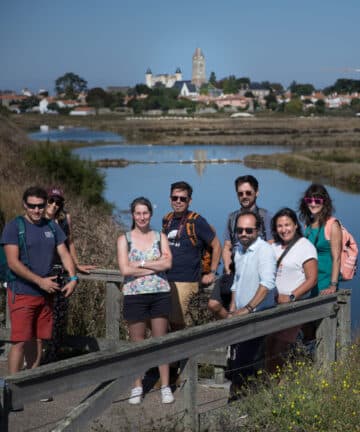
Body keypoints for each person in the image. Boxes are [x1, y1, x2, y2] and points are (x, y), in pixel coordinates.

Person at [0, 186, 78, 375]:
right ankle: (12, 388)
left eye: (40, 206)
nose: (36, 210)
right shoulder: (14, 227)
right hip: (22, 292)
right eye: (32, 206)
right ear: (24, 205)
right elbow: (13, 262)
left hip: (46, 294)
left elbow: (65, 253)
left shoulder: (52, 226)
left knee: (38, 340)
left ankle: (32, 384)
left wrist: (74, 277)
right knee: (20, 341)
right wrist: (40, 281)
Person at [117, 197, 174, 405]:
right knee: (137, 343)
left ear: (151, 214)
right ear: (133, 215)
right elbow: (125, 269)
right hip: (134, 296)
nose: (142, 217)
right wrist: (154, 265)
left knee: (161, 341)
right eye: (138, 213)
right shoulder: (124, 239)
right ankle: (137, 386)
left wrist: (140, 264)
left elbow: (167, 263)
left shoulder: (160, 237)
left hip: (160, 294)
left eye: (145, 213)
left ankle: (166, 386)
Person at [227, 210, 276, 400]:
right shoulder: (239, 249)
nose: (244, 233)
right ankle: (240, 402)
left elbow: (267, 284)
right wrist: (233, 308)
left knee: (249, 364)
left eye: (249, 230)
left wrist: (247, 309)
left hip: (258, 316)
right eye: (240, 230)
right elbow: (236, 282)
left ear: (258, 230)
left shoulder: (264, 251)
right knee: (238, 364)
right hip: (240, 316)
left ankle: (248, 407)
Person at [43, 187, 96, 363]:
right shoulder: (36, 219)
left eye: (58, 202)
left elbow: (70, 242)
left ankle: (52, 359)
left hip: (61, 272)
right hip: (42, 274)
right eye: (51, 200)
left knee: (58, 319)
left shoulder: (65, 218)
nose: (54, 205)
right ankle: (37, 358)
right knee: (42, 316)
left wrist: (76, 264)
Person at [208, 174, 272, 319]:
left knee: (240, 308)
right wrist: (227, 266)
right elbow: (227, 245)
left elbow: (270, 244)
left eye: (248, 192)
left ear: (257, 192)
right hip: (234, 269)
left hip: (254, 269)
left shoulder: (265, 216)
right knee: (213, 303)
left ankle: (234, 333)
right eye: (240, 193)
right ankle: (230, 327)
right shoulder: (232, 217)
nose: (244, 196)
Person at [162, 181, 221, 330]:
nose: (178, 202)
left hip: (186, 282)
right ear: (170, 199)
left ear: (190, 201)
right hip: (165, 281)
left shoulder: (197, 222)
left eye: (183, 198)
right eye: (175, 198)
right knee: (163, 325)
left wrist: (212, 272)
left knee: (179, 328)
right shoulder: (167, 220)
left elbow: (217, 245)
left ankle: (183, 354)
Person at [266, 208, 318, 373]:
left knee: (280, 348)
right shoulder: (274, 246)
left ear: (295, 225)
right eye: (280, 226)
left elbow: (312, 279)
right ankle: (269, 386)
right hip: (272, 306)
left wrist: (292, 296)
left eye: (287, 225)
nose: (283, 229)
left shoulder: (305, 247)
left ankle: (276, 388)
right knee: (268, 348)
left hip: (292, 308)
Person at [299, 183, 342, 296]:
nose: (313, 204)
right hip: (309, 280)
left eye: (317, 201)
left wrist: (333, 285)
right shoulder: (307, 225)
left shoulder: (332, 225)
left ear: (324, 202)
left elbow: (337, 258)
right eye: (309, 200)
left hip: (325, 283)